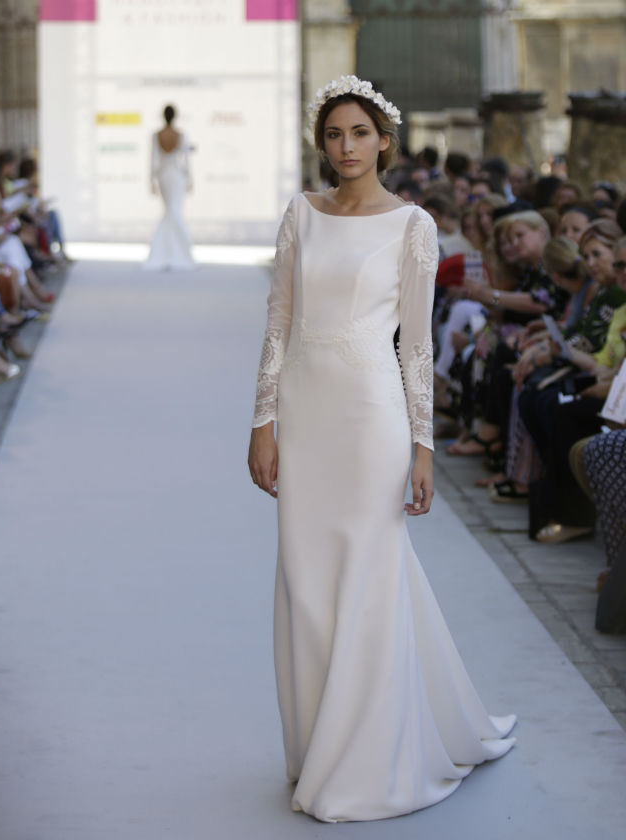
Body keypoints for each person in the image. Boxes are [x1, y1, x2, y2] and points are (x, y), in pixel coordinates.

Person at [247, 75, 515, 824]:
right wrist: (261, 420)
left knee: (369, 573)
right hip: (304, 406)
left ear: (384, 139)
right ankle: (315, 747)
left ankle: (361, 762)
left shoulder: (413, 226)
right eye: (333, 135)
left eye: (358, 132)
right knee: (306, 580)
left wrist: (424, 446)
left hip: (372, 415)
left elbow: (419, 348)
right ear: (322, 144)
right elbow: (278, 322)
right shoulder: (301, 213)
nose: (345, 147)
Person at [143, 104, 194, 271]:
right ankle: (179, 250)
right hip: (177, 176)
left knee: (170, 210)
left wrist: (151, 180)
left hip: (163, 175)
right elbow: (186, 159)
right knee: (174, 210)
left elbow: (153, 159)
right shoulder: (180, 135)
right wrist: (189, 178)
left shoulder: (157, 135)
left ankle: (164, 250)